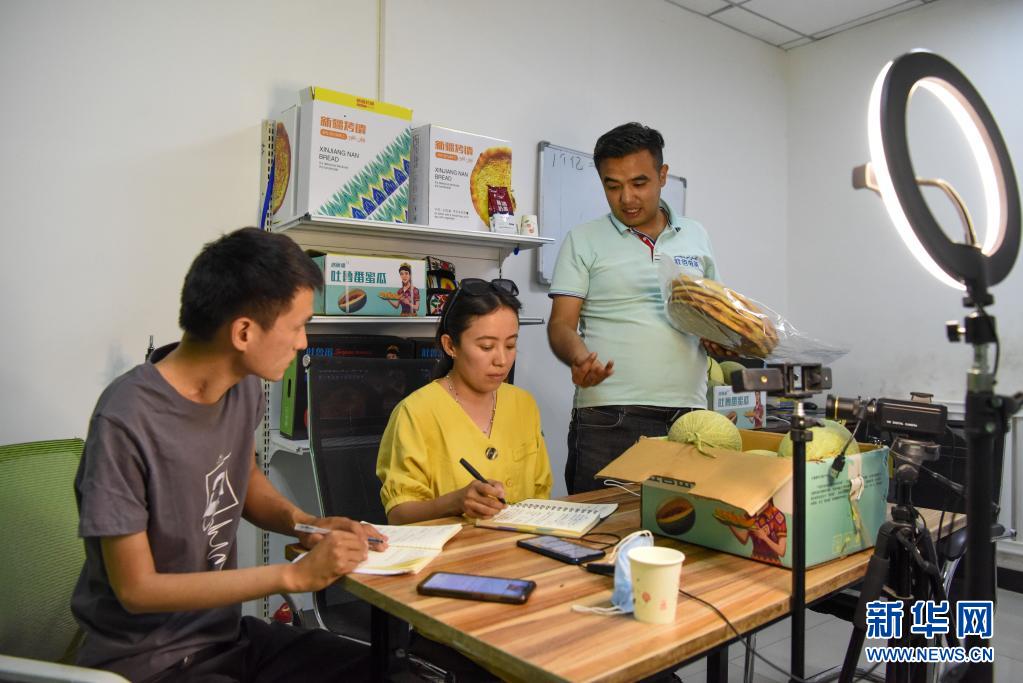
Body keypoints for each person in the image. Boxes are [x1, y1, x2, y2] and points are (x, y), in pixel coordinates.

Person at [71, 227, 388, 682]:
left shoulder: (242, 388)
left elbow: (243, 476)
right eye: (297, 326)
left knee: (384, 671)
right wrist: (292, 577)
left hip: (226, 640)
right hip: (151, 664)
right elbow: (136, 590)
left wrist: (306, 524)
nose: (302, 343)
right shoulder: (125, 420)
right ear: (243, 332)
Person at [547, 122, 720, 494]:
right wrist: (580, 358)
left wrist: (727, 338)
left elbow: (715, 315)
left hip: (690, 417)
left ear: (662, 175)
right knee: (599, 522)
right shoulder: (583, 239)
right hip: (610, 416)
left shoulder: (696, 235)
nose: (626, 198)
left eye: (639, 183)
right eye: (612, 186)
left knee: (680, 524)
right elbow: (560, 325)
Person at [377, 278, 553, 524]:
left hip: (519, 543)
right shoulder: (415, 413)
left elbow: (540, 492)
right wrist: (455, 502)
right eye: (486, 347)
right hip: (454, 547)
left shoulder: (523, 404)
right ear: (450, 345)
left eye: (511, 345)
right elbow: (398, 515)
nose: (502, 360)